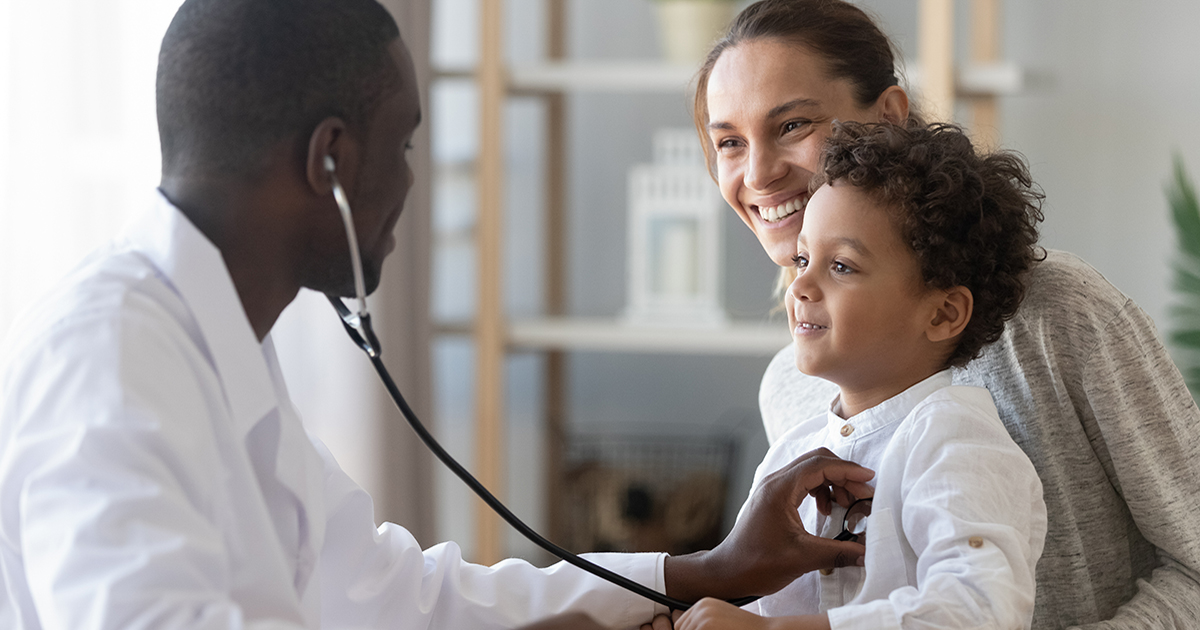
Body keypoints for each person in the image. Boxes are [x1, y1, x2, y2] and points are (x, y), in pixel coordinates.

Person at [0, 1, 877, 629]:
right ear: (332, 163)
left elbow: (395, 594)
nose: (414, 183)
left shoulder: (215, 347)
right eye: (405, 145)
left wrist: (708, 570)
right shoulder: (107, 361)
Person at [688, 0, 1200, 628]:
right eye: (730, 143)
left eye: (793, 125)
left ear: (888, 119)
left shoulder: (1058, 313)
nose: (760, 173)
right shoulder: (796, 387)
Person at [678, 120, 1048, 629]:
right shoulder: (792, 455)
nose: (800, 284)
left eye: (842, 267)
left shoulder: (955, 442)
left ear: (941, 314)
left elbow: (976, 612)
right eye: (804, 258)